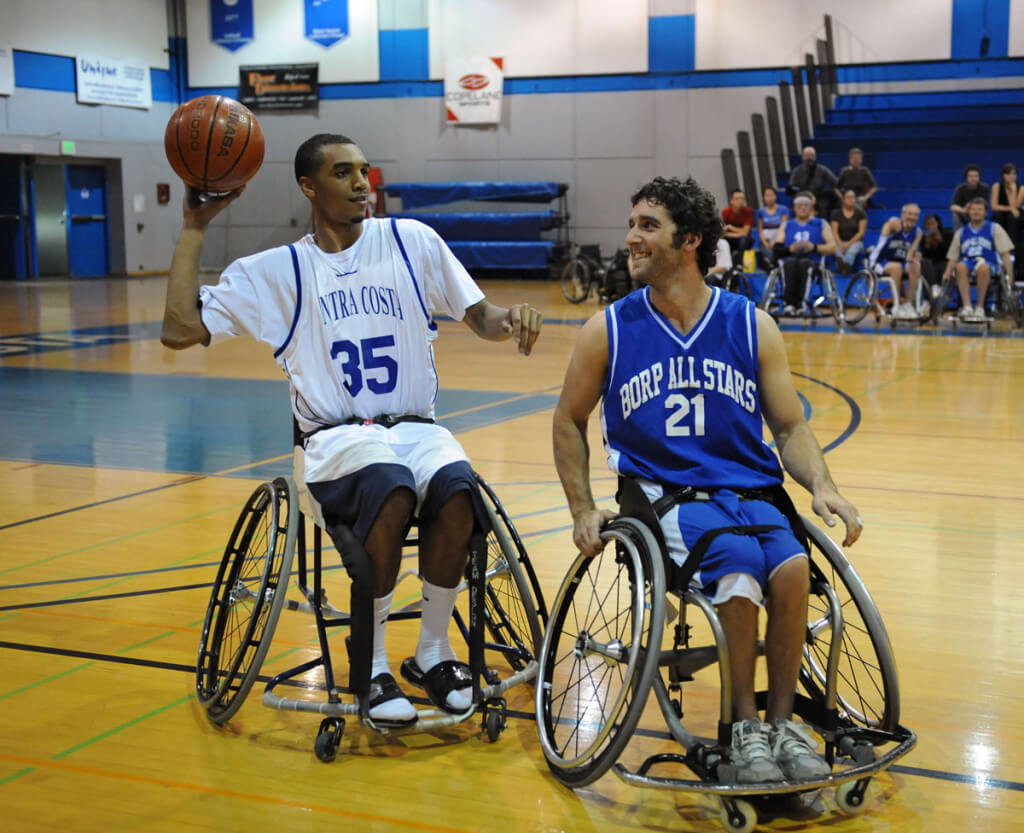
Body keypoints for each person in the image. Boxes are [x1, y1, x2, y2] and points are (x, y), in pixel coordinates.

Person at [160, 133, 542, 726]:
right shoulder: (279, 271)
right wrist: (193, 226)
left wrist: (508, 319)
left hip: (416, 428)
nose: (363, 183)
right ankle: (372, 664)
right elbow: (180, 329)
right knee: (390, 487)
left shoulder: (411, 240)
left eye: (365, 170)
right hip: (334, 440)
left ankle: (433, 652)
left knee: (460, 491)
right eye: (344, 173)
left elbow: (480, 318)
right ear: (309, 187)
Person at [551, 175, 862, 784]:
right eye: (632, 223)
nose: (630, 238)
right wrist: (582, 505)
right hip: (667, 496)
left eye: (647, 226)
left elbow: (791, 427)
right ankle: (742, 726)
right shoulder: (608, 330)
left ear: (689, 241)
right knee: (739, 572)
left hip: (749, 488)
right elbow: (568, 419)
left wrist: (823, 484)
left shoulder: (750, 323)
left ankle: (780, 725)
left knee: (794, 565)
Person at [942, 196, 1015, 322]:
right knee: (959, 266)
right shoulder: (961, 231)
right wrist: (947, 271)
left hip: (989, 262)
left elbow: (1005, 253)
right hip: (968, 261)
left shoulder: (994, 228)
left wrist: (1010, 273)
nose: (976, 212)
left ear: (985, 213)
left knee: (983, 268)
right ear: (968, 212)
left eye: (980, 209)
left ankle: (980, 307)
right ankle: (967, 307)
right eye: (973, 209)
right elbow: (953, 256)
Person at [774, 191, 837, 315]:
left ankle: (803, 304)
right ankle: (789, 304)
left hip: (813, 260)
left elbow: (833, 247)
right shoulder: (787, 225)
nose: (803, 208)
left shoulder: (821, 224)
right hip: (791, 260)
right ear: (795, 208)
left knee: (805, 264)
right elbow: (777, 248)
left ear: (811, 207)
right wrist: (789, 249)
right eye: (799, 205)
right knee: (790, 263)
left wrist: (814, 247)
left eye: (806, 205)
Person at [867, 203, 924, 319]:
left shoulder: (918, 232)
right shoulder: (894, 224)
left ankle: (908, 304)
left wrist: (914, 258)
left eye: (915, 215)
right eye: (909, 213)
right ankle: (896, 306)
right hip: (879, 261)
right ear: (903, 214)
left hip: (899, 262)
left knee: (916, 265)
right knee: (896, 267)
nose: (912, 217)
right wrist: (893, 226)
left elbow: (910, 255)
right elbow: (886, 228)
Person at [990, 162, 1022, 281]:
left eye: (1014, 174)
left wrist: (1013, 191)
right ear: (1003, 175)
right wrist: (1009, 208)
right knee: (998, 215)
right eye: (1008, 174)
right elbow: (994, 206)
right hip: (1001, 215)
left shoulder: (1021, 188)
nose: (1011, 177)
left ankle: (1011, 248)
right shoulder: (996, 186)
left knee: (1013, 217)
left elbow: (1016, 207)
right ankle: (998, 246)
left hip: (1013, 218)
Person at [787, 146, 837, 219]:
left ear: (815, 157)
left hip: (819, 197)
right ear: (803, 157)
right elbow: (790, 189)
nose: (809, 158)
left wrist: (825, 191)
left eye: (811, 155)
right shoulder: (796, 172)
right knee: (798, 203)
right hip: (802, 196)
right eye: (807, 155)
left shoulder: (822, 170)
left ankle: (822, 226)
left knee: (825, 204)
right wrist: (801, 191)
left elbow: (835, 182)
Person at [830, 188, 868, 274]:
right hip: (840, 240)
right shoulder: (836, 214)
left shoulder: (861, 213)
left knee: (852, 250)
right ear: (843, 199)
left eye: (853, 197)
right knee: (836, 248)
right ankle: (843, 265)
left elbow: (861, 232)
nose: (851, 199)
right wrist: (840, 243)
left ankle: (845, 266)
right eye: (849, 197)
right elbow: (834, 232)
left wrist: (848, 244)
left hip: (856, 241)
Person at [755, 187, 789, 270]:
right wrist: (765, 242)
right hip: (766, 242)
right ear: (763, 197)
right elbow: (760, 230)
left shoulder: (783, 209)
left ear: (775, 196)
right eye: (767, 195)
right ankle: (774, 267)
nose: (769, 197)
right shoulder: (761, 212)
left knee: (777, 251)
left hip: (780, 241)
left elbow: (784, 227)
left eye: (771, 195)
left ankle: (773, 266)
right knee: (768, 252)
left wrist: (776, 242)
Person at [950, 164, 990, 229]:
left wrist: (973, 207)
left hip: (979, 213)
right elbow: (952, 207)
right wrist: (964, 210)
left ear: (979, 177)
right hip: (965, 214)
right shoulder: (960, 189)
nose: (973, 179)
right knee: (955, 215)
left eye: (976, 176)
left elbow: (984, 205)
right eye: (970, 176)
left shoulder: (985, 188)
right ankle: (959, 236)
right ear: (966, 178)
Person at [721, 189, 754, 266]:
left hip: (746, 240)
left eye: (742, 198)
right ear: (732, 201)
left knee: (743, 240)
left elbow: (746, 232)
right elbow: (722, 233)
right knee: (721, 241)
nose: (740, 201)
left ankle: (739, 265)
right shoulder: (725, 212)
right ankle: (724, 265)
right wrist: (738, 233)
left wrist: (731, 227)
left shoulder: (748, 211)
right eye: (737, 199)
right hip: (731, 239)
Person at [920, 214, 952, 290]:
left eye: (932, 223)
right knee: (925, 265)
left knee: (942, 266)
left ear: (937, 223)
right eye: (927, 224)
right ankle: (933, 287)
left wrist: (940, 240)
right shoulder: (924, 239)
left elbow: (949, 253)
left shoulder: (948, 234)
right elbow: (925, 256)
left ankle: (942, 294)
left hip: (944, 262)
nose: (930, 226)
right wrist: (927, 243)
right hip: (930, 264)